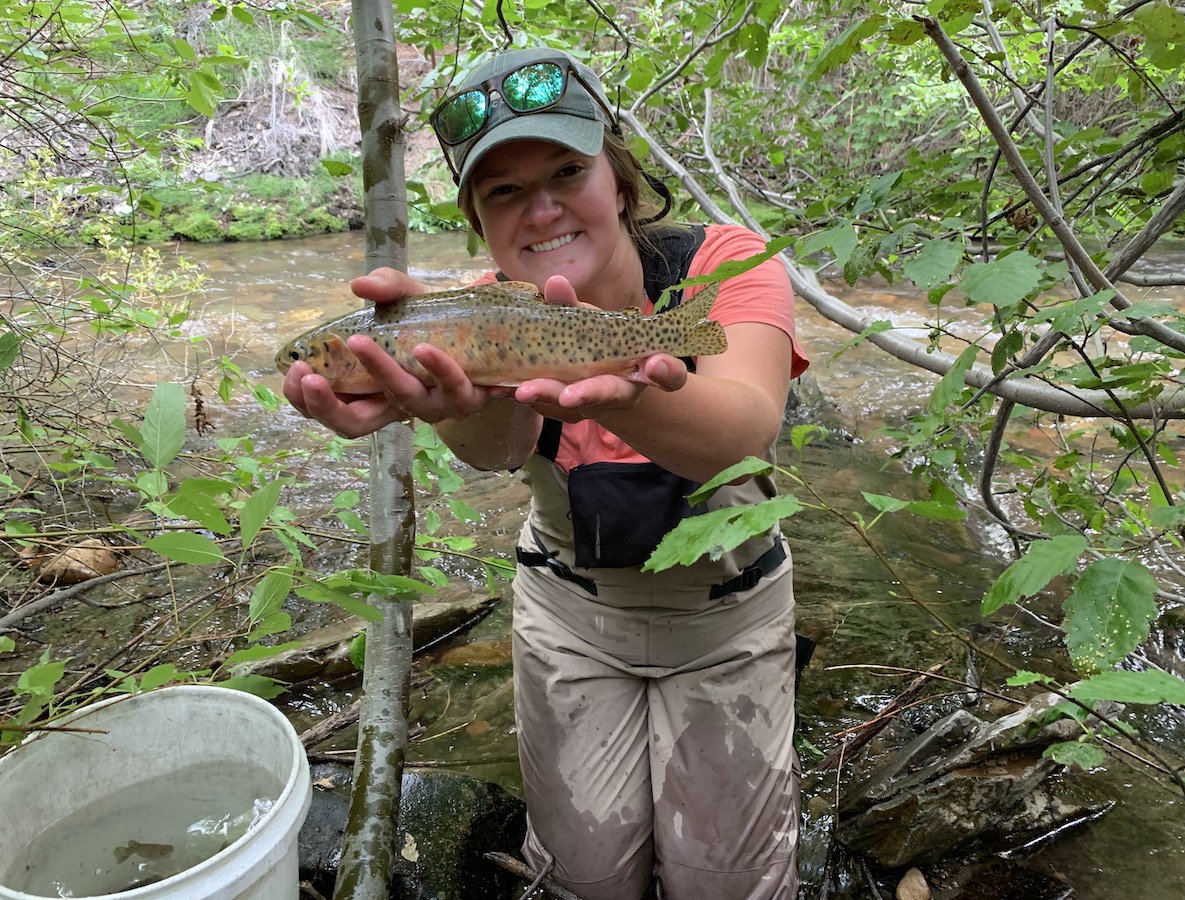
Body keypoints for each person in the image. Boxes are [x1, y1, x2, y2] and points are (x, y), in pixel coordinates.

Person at [283, 46, 809, 900]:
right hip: (569, 618)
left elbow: (744, 433)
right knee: (581, 881)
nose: (543, 209)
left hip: (730, 621)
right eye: (504, 191)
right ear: (481, 224)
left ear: (620, 179)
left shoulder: (726, 263)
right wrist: (449, 399)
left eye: (568, 170)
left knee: (727, 886)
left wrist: (612, 394)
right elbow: (496, 449)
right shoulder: (486, 311)